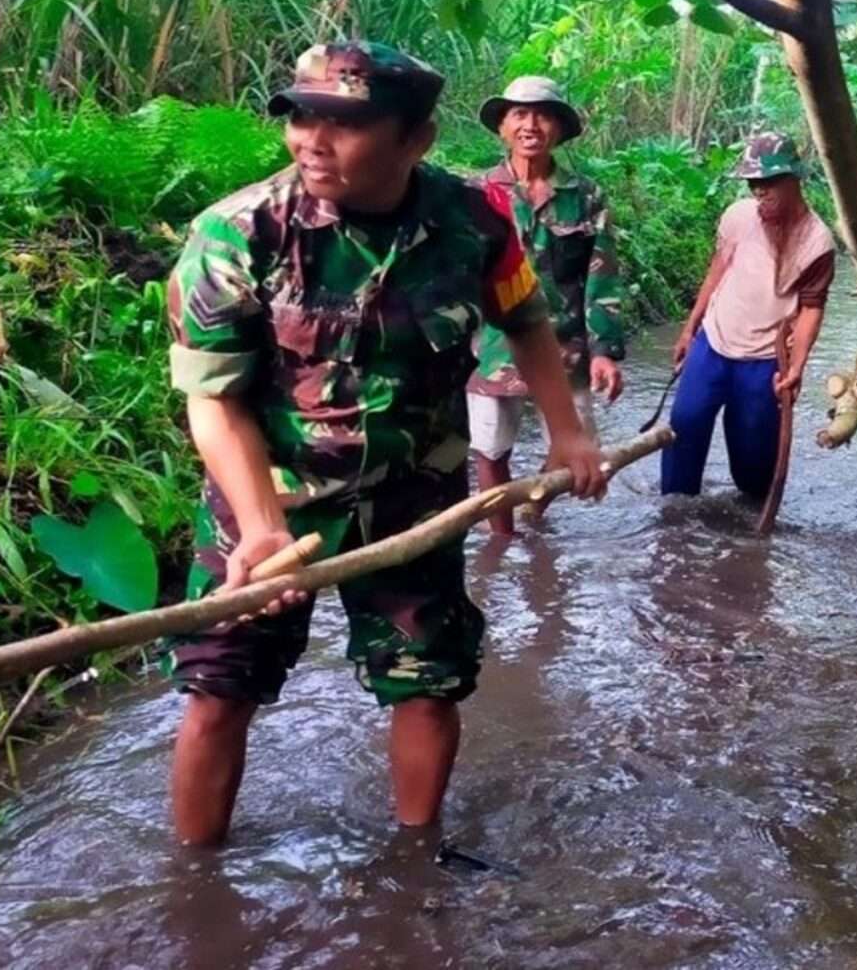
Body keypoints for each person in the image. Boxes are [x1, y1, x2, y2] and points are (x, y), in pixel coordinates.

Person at [163, 41, 606, 848]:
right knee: (220, 687)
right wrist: (262, 529)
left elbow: (528, 321)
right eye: (301, 117)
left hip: (413, 499)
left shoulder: (474, 222)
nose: (311, 139)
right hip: (270, 498)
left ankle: (415, 863)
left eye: (346, 123)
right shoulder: (237, 234)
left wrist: (570, 433)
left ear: (417, 140)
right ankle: (193, 881)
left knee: (427, 683)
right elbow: (214, 400)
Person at [466, 75, 626, 540]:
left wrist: (603, 351)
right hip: (493, 347)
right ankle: (502, 539)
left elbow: (602, 276)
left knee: (580, 446)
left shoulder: (586, 196)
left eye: (542, 115)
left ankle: (534, 509)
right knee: (490, 449)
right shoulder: (478, 194)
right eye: (519, 114)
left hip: (566, 345)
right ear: (502, 127)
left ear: (558, 128)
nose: (530, 125)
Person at [659, 132, 835, 501]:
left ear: (793, 179)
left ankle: (751, 537)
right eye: (754, 184)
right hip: (713, 344)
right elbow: (717, 270)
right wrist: (689, 330)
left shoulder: (817, 242)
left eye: (769, 183)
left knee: (754, 465)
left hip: (763, 360)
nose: (760, 192)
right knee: (684, 427)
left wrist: (796, 368)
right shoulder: (738, 217)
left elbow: (811, 309)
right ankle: (673, 522)